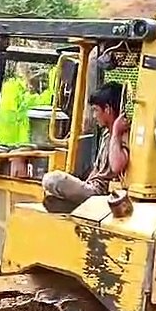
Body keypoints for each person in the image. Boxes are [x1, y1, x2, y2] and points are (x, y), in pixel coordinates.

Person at [41, 82, 129, 213]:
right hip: (91, 187)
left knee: (52, 180)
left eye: (95, 110)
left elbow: (116, 166)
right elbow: (97, 169)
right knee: (50, 196)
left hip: (101, 194)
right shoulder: (106, 134)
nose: (94, 116)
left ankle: (79, 205)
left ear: (108, 109)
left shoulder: (123, 135)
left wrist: (116, 132)